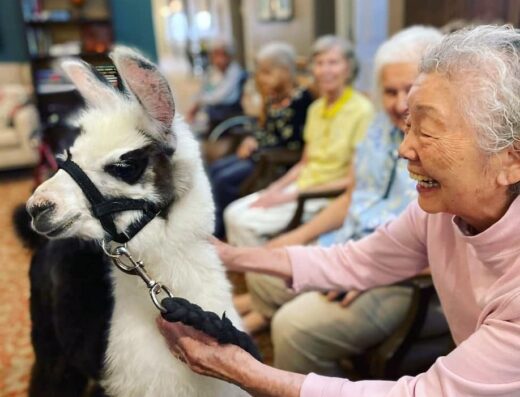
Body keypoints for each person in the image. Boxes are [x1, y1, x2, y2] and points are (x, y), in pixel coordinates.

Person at [157, 25, 520, 396]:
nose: (404, 148)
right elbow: (355, 260)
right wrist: (232, 255)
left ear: (512, 158)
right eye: (408, 125)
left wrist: (246, 373)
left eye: (426, 131)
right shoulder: (439, 213)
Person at [234, 29, 446, 375]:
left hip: (401, 275)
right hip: (349, 242)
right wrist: (296, 238)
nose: (398, 103)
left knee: (293, 327)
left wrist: (369, 272)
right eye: (389, 91)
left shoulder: (447, 147)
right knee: (262, 272)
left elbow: (450, 245)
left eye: (409, 89)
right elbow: (353, 195)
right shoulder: (378, 128)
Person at [224, 35, 374, 247]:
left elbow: (352, 181)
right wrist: (275, 189)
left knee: (244, 222)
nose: (325, 70)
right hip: (299, 186)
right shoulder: (315, 109)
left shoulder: (362, 110)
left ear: (348, 68)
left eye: (333, 63)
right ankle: (256, 270)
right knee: (232, 212)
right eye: (320, 63)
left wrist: (288, 197)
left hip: (324, 197)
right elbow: (304, 163)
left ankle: (265, 274)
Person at [209, 42, 314, 239]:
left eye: (266, 72)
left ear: (284, 71)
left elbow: (293, 142)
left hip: (274, 162)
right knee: (215, 169)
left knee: (224, 180)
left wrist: (260, 146)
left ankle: (220, 233)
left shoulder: (301, 100)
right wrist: (251, 140)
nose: (260, 78)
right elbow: (263, 129)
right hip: (259, 153)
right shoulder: (273, 96)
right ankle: (215, 226)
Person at [187, 38, 245, 131]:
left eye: (223, 54)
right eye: (216, 55)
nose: (220, 59)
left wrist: (200, 101)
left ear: (230, 56)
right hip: (213, 110)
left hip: (227, 110)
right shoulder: (212, 71)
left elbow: (219, 96)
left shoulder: (234, 71)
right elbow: (203, 90)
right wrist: (196, 104)